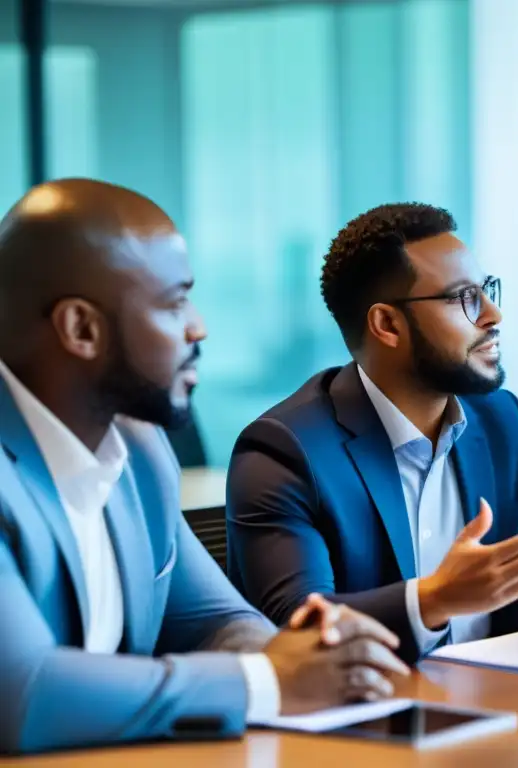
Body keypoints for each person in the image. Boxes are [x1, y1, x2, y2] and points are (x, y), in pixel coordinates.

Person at [0, 180, 409, 755]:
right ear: (81, 329)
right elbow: (20, 694)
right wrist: (264, 682)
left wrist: (307, 656)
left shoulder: (140, 451)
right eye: (173, 303)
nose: (198, 327)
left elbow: (213, 621)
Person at [226, 203, 518, 662]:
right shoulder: (284, 451)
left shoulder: (501, 420)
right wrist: (433, 600)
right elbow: (300, 626)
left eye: (487, 290)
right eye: (463, 298)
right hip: (372, 717)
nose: (493, 314)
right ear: (388, 325)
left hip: (506, 704)